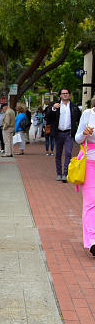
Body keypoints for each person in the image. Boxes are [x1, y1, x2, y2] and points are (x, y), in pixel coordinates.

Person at [46, 88, 81, 182]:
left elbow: (79, 118)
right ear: (60, 95)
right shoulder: (56, 106)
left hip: (69, 133)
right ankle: (59, 174)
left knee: (68, 153)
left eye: (67, 93)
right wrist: (53, 108)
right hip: (58, 133)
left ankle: (66, 174)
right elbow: (48, 117)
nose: (65, 95)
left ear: (69, 95)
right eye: (63, 93)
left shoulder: (74, 107)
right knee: (58, 154)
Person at [75, 107, 95, 255]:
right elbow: (77, 139)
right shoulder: (88, 114)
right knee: (90, 202)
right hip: (89, 163)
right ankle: (93, 241)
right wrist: (84, 133)